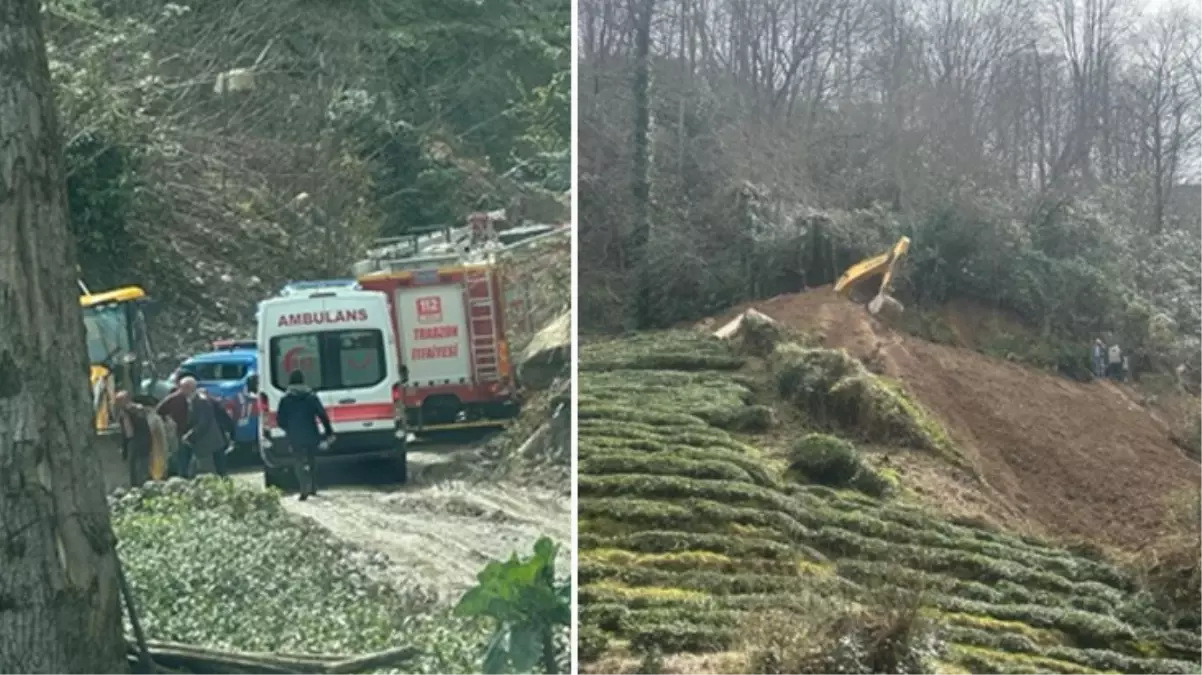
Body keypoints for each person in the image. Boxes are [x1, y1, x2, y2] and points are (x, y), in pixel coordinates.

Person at [275, 369, 334, 500]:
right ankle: (313, 486)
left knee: (298, 460)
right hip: (311, 433)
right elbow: (322, 415)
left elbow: (280, 420)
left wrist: (288, 429)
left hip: (294, 435)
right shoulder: (311, 397)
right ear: (303, 381)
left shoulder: (285, 399)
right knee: (312, 459)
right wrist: (329, 431)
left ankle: (303, 488)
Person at [184, 389, 230, 477]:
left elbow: (204, 422)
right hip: (210, 440)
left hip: (209, 441)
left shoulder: (201, 402)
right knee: (219, 466)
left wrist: (190, 435)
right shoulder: (196, 401)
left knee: (216, 467)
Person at [157, 375, 197, 477]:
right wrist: (167, 421)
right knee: (182, 454)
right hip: (181, 429)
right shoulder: (174, 399)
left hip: (195, 429)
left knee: (194, 455)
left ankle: (192, 474)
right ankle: (183, 475)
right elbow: (159, 410)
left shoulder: (197, 398)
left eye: (191, 388)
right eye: (185, 388)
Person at [113, 391, 152, 487]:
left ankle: (143, 486)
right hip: (131, 442)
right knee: (132, 468)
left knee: (141, 467)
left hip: (140, 442)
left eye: (119, 401)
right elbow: (125, 432)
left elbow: (139, 428)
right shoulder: (122, 413)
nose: (117, 404)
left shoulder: (137, 410)